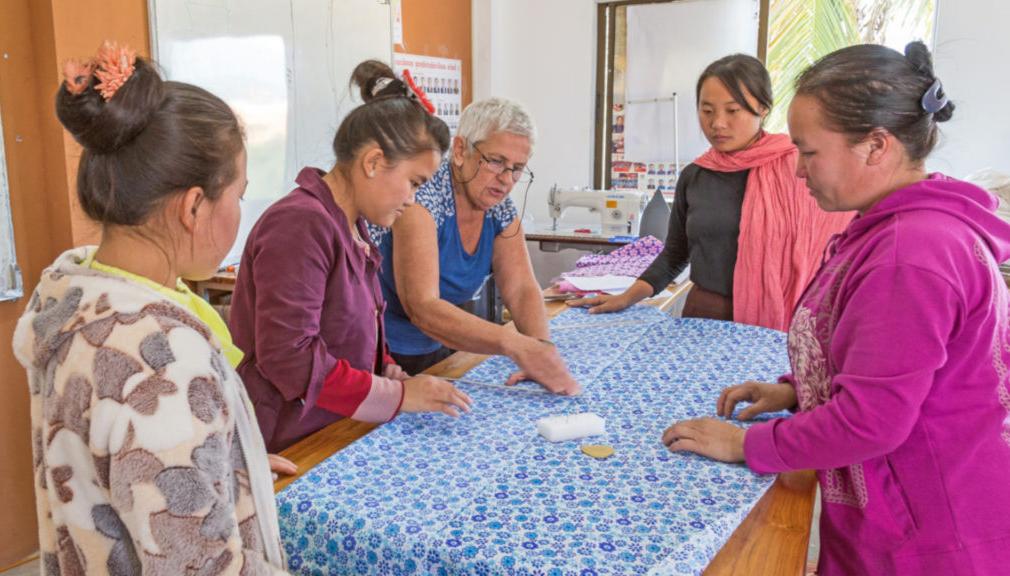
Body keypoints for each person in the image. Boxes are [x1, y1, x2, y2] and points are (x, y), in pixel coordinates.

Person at [662, 42, 1010, 575]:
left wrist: (747, 443)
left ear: (876, 145)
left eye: (809, 152)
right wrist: (799, 390)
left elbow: (872, 421)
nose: (799, 171)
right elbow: (892, 364)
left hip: (926, 534)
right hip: (908, 508)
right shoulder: (895, 228)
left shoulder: (909, 254)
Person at [12, 41, 290, 573]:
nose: (240, 211)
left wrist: (228, 464)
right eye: (238, 194)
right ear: (193, 206)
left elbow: (129, 468)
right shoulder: (162, 360)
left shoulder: (75, 300)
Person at [229, 60, 471, 453]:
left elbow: (346, 331)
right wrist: (394, 397)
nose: (412, 200)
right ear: (373, 162)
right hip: (289, 441)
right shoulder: (300, 226)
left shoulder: (350, 226)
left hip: (332, 428)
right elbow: (290, 356)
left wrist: (383, 368)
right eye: (413, 183)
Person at [570, 54, 853, 331]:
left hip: (779, 321)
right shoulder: (696, 176)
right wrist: (626, 298)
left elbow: (837, 247)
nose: (717, 123)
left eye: (732, 111)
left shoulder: (798, 169)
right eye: (707, 111)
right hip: (704, 316)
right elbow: (675, 254)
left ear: (763, 108)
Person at [374, 97, 580, 394]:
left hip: (438, 345)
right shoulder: (423, 199)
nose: (507, 179)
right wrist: (513, 344)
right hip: (383, 354)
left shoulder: (498, 206)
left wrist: (540, 351)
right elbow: (423, 307)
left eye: (517, 168)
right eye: (496, 162)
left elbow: (521, 288)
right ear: (460, 150)